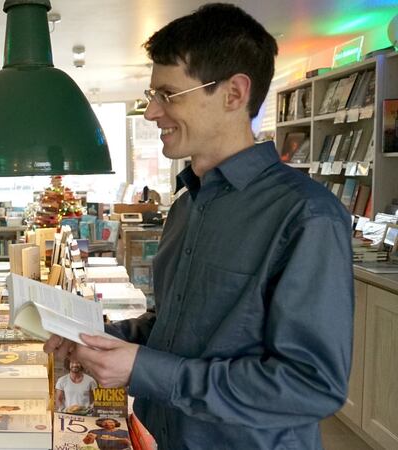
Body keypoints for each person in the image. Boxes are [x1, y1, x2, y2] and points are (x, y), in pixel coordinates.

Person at [45, 4, 353, 449]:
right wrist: (97, 338)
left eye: (167, 95)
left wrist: (143, 370)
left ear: (234, 93)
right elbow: (176, 326)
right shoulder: (187, 206)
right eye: (152, 96)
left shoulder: (307, 216)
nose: (152, 113)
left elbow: (311, 385)